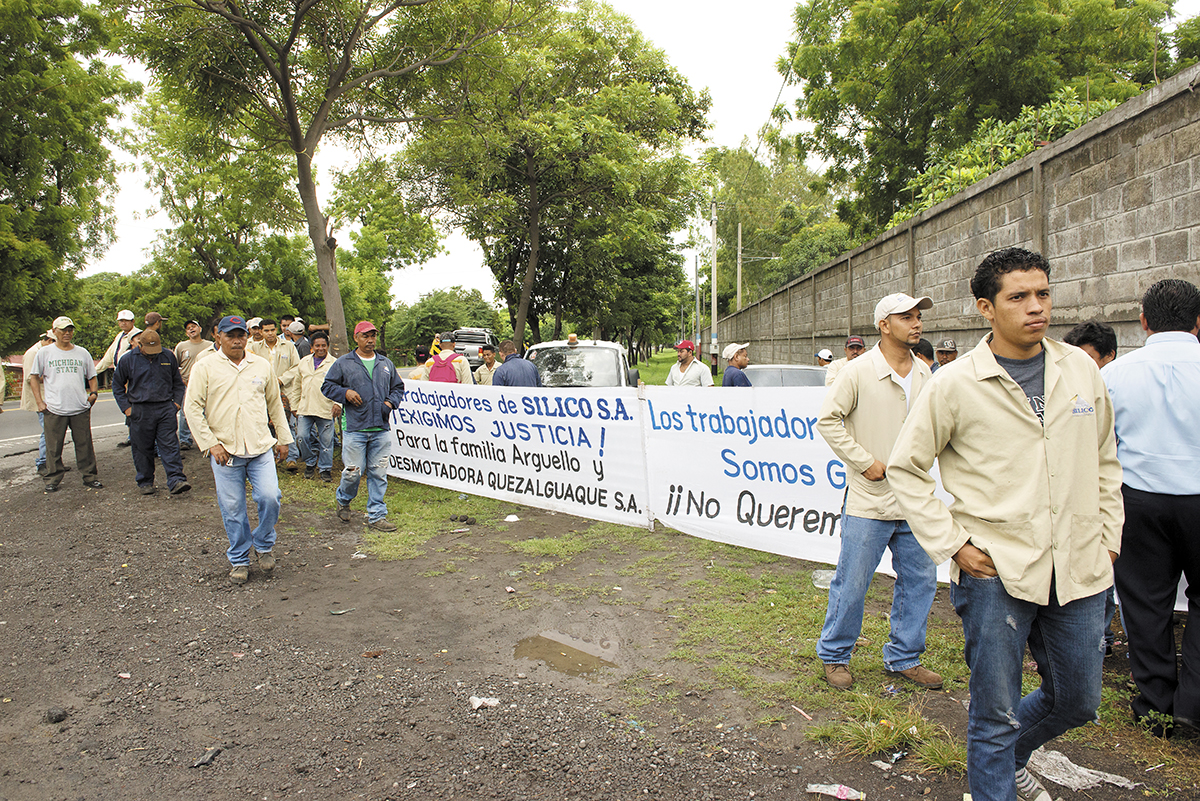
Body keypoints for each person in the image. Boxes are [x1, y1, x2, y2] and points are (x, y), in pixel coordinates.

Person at [887, 248, 1122, 801]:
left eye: (1042, 293)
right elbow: (906, 466)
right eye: (1018, 297)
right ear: (986, 308)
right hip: (996, 569)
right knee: (993, 714)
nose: (1036, 307)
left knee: (1080, 700)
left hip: (1080, 564)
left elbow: (1105, 457)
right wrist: (954, 544)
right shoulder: (955, 384)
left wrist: (1109, 535)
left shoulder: (1080, 368)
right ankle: (994, 776)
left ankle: (1012, 754)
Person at [815, 292, 939, 691]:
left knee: (920, 580)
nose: (916, 323)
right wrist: (863, 461)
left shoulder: (924, 373)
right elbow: (828, 420)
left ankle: (904, 656)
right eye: (906, 317)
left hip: (914, 500)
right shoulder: (857, 371)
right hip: (870, 501)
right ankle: (835, 655)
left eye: (918, 317)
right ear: (884, 325)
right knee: (853, 582)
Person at [1101, 279, 1200, 738]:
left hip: (1138, 498)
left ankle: (1156, 702)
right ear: (1198, 322)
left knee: (1144, 602)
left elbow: (1099, 443)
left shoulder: (1115, 374)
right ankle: (1193, 704)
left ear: (1142, 322)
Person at [184, 316, 292, 585]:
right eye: (230, 335)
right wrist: (211, 444)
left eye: (241, 335)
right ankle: (240, 559)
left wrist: (283, 438)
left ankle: (264, 544)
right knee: (233, 508)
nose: (236, 340)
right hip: (225, 451)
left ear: (247, 336)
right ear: (218, 336)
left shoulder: (261, 364)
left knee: (270, 497)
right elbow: (192, 408)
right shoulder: (205, 366)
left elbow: (274, 404)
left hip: (259, 447)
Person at [1064, 319, 1120, 656]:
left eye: (1089, 358)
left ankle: (1101, 638)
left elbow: (1107, 458)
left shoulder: (1106, 384)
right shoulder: (1070, 385)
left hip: (1110, 503)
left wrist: (1112, 539)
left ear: (1108, 356)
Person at [321, 321, 405, 531]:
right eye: (366, 336)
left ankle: (377, 515)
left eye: (373, 336)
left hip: (380, 428)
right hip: (355, 428)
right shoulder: (344, 363)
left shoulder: (385, 363)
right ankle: (343, 499)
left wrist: (390, 403)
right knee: (353, 473)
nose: (370, 340)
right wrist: (345, 393)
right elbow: (327, 386)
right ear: (356, 337)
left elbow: (398, 387)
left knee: (378, 473)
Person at [29, 316, 103, 492]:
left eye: (70, 330)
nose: (67, 333)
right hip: (54, 408)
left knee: (84, 444)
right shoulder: (44, 353)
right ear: (54, 332)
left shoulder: (82, 352)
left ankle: (89, 476)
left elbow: (92, 376)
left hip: (79, 407)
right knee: (53, 446)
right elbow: (33, 377)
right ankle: (53, 478)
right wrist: (39, 402)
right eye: (63, 330)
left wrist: (93, 394)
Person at [113, 329, 190, 496]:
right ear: (139, 345)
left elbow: (177, 382)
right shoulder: (127, 360)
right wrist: (127, 409)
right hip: (140, 409)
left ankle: (176, 479)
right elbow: (117, 386)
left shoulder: (167, 356)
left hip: (165, 408)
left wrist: (176, 404)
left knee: (170, 445)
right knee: (142, 448)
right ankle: (145, 481)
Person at [282, 330, 340, 482]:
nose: (320, 348)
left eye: (323, 345)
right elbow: (296, 386)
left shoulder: (334, 363)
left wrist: (337, 403)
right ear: (311, 347)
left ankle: (325, 468)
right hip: (305, 407)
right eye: (317, 346)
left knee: (326, 441)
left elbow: (341, 385)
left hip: (325, 408)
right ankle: (310, 461)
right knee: (301, 437)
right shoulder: (304, 362)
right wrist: (294, 405)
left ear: (327, 346)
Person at [250, 319, 302, 471]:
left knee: (288, 424)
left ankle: (291, 458)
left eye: (272, 330)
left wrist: (281, 380)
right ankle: (270, 457)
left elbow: (296, 366)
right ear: (261, 331)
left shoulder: (288, 346)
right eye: (266, 330)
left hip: (285, 389)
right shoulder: (253, 348)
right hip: (262, 391)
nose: (270, 333)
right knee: (265, 423)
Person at [96, 309, 141, 445]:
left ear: (132, 321)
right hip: (120, 375)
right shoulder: (120, 336)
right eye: (121, 321)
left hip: (133, 376)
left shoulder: (137, 336)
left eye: (126, 321)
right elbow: (109, 357)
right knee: (126, 405)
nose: (123, 323)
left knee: (134, 406)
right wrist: (94, 372)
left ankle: (136, 436)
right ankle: (132, 435)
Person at [174, 319, 214, 452]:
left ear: (200, 329)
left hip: (208, 383)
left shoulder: (210, 345)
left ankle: (209, 439)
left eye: (194, 326)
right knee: (187, 411)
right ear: (186, 333)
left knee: (209, 411)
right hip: (187, 383)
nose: (191, 329)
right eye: (188, 328)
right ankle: (185, 440)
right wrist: (181, 380)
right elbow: (175, 366)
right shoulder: (181, 346)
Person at [22, 330, 55, 474]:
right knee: (46, 430)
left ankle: (53, 462)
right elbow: (31, 377)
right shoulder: (33, 353)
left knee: (53, 430)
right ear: (48, 340)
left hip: (50, 397)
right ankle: (42, 462)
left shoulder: (45, 351)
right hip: (40, 398)